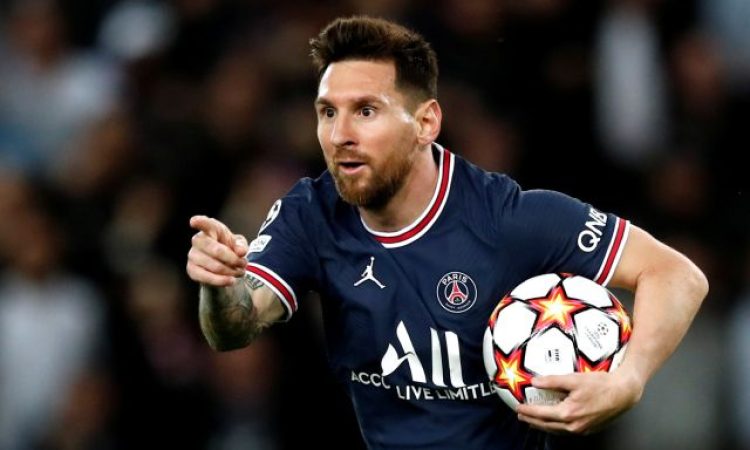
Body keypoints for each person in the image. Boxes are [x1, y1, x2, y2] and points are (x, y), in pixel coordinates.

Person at [186, 16, 708, 449]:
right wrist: (218, 286)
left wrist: (629, 379)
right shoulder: (310, 214)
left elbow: (677, 274)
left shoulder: (506, 218)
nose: (340, 134)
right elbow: (234, 327)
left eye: (366, 111)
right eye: (328, 113)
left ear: (426, 123)